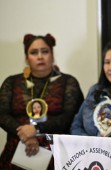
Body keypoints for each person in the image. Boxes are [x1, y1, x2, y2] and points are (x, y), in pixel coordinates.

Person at [0, 33, 84, 169]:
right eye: (33, 52)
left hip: (56, 155)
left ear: (52, 55)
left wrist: (36, 130)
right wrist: (25, 135)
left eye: (45, 51)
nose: (40, 56)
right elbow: (2, 115)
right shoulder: (12, 82)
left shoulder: (68, 82)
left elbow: (70, 118)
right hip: (16, 153)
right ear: (27, 58)